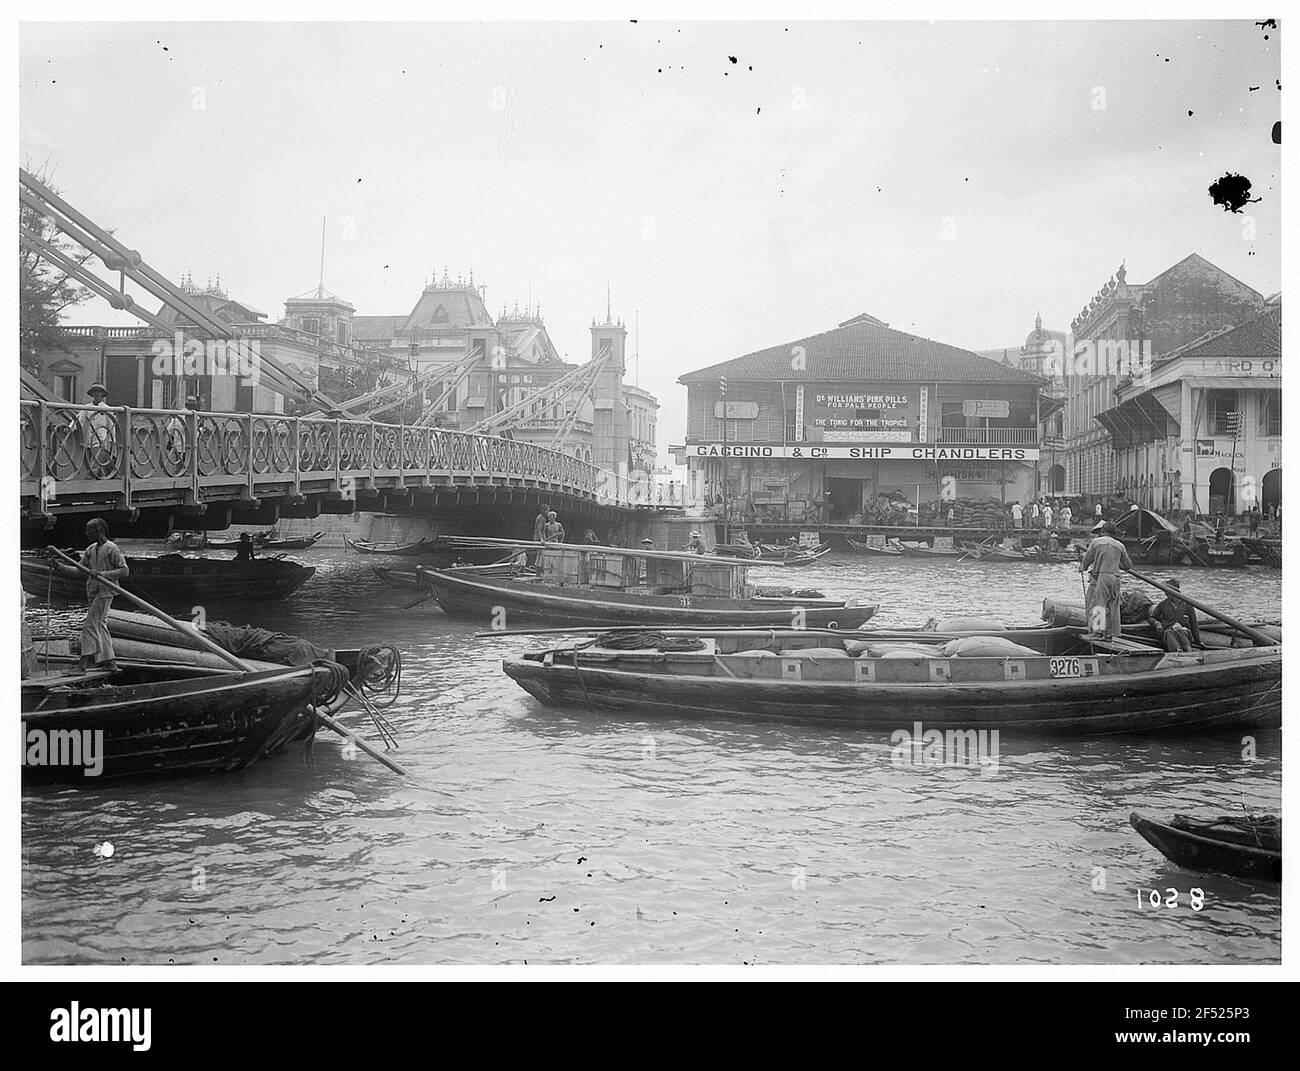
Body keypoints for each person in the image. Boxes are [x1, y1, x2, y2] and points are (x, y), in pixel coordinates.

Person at [47, 517, 129, 674]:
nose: (86, 533)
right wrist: (59, 567)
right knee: (100, 625)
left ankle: (82, 666)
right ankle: (111, 663)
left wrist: (102, 574)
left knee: (89, 626)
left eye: (88, 530)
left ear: (98, 530)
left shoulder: (112, 548)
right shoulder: (91, 549)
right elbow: (80, 570)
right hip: (93, 591)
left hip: (105, 593)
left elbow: (124, 570)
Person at [1079, 520, 1133, 640]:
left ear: (1103, 531)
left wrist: (1082, 567)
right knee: (1113, 605)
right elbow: (1128, 565)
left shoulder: (1096, 542)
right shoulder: (1120, 545)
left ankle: (1096, 632)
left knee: (1098, 603)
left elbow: (1088, 559)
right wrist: (1116, 562)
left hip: (1103, 575)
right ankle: (1111, 634)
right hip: (1116, 577)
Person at [1147, 578, 1201, 652]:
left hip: (1184, 633)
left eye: (1168, 591)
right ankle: (1178, 651)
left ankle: (1187, 649)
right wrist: (1157, 623)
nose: (1166, 593)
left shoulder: (1188, 605)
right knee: (1169, 632)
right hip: (1169, 633)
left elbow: (1194, 624)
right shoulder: (1163, 604)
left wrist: (1198, 641)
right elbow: (1152, 617)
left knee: (1179, 630)